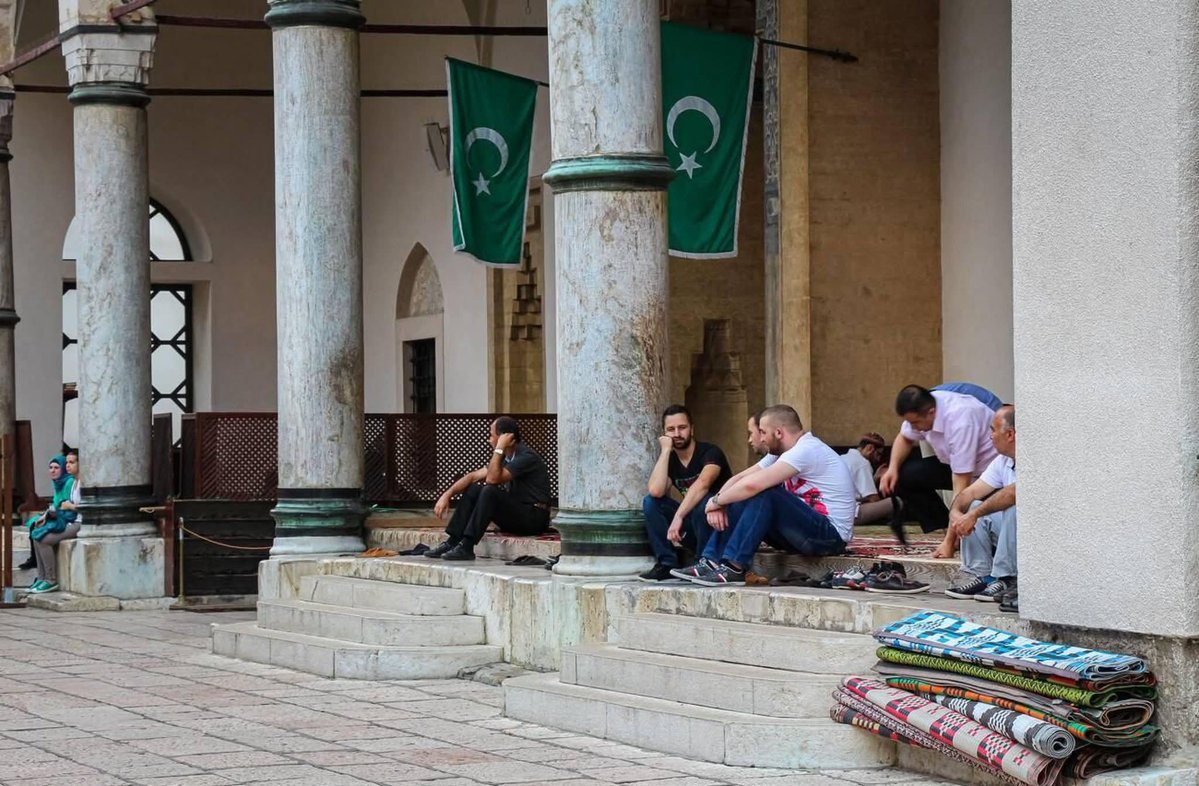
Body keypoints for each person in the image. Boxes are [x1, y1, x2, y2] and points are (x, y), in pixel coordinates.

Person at [672, 405, 857, 586]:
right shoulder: (781, 453)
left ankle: (734, 568)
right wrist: (718, 502)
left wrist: (716, 501)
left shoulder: (806, 450)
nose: (761, 438)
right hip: (803, 532)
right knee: (743, 495)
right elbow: (741, 479)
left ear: (778, 433)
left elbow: (753, 485)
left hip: (830, 536)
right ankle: (711, 561)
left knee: (764, 492)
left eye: (763, 432)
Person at [878, 385, 998, 558]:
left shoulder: (961, 420)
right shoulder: (925, 407)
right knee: (905, 476)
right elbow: (904, 437)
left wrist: (950, 544)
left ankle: (953, 538)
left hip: (988, 474)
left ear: (932, 412)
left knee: (986, 535)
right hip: (954, 465)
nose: (914, 428)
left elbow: (961, 487)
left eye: (916, 423)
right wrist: (892, 469)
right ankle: (943, 528)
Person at [426, 417, 552, 561]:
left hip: (534, 518)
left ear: (504, 437)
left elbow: (492, 479)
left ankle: (467, 546)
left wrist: (499, 449)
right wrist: (446, 495)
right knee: (474, 489)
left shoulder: (526, 457)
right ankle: (452, 541)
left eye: (491, 435)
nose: (489, 440)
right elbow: (474, 476)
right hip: (518, 515)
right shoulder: (506, 458)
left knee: (489, 490)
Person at [638, 405, 733, 582]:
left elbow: (702, 485)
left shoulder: (710, 452)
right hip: (693, 527)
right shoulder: (671, 460)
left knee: (702, 501)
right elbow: (656, 491)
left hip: (719, 527)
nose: (677, 433)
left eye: (682, 428)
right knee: (651, 502)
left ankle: (704, 563)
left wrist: (678, 516)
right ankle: (667, 564)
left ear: (692, 429)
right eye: (671, 429)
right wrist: (666, 451)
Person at [944, 406, 1018, 610]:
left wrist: (974, 514)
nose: (991, 436)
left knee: (1013, 507)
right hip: (1012, 534)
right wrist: (956, 514)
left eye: (993, 430)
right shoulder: (1003, 461)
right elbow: (969, 494)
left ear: (1010, 434)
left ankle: (1008, 578)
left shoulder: (1035, 458)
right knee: (974, 506)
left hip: (1038, 537)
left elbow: (1014, 493)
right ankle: (982, 577)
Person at [27, 452, 80, 594]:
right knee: (36, 533)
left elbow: (72, 507)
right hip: (66, 519)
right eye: (67, 463)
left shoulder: (71, 482)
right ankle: (42, 577)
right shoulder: (70, 482)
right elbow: (60, 506)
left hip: (76, 522)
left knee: (43, 539)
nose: (68, 466)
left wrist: (67, 507)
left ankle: (50, 579)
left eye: (72, 462)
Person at [841, 433, 892, 526]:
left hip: (833, 512)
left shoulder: (843, 458)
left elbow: (856, 488)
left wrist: (875, 478)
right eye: (878, 454)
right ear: (870, 448)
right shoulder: (862, 463)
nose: (879, 459)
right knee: (896, 503)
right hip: (849, 515)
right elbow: (873, 499)